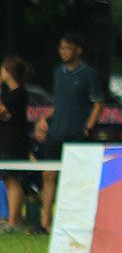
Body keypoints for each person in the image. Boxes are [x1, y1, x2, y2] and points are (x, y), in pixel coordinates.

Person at [33, 34, 104, 234]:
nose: (63, 51)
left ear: (77, 50)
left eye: (68, 48)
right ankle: (45, 221)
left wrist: (87, 128)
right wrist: (44, 120)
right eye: (61, 48)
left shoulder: (88, 73)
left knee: (77, 179)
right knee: (48, 174)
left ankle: (77, 222)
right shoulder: (59, 73)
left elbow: (98, 103)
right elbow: (59, 104)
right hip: (57, 131)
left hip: (77, 133)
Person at [0, 57, 31, 232]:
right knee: (7, 178)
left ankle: (13, 221)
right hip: (5, 139)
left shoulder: (19, 93)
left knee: (13, 179)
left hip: (15, 141)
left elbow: (3, 112)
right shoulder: (7, 94)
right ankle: (15, 218)